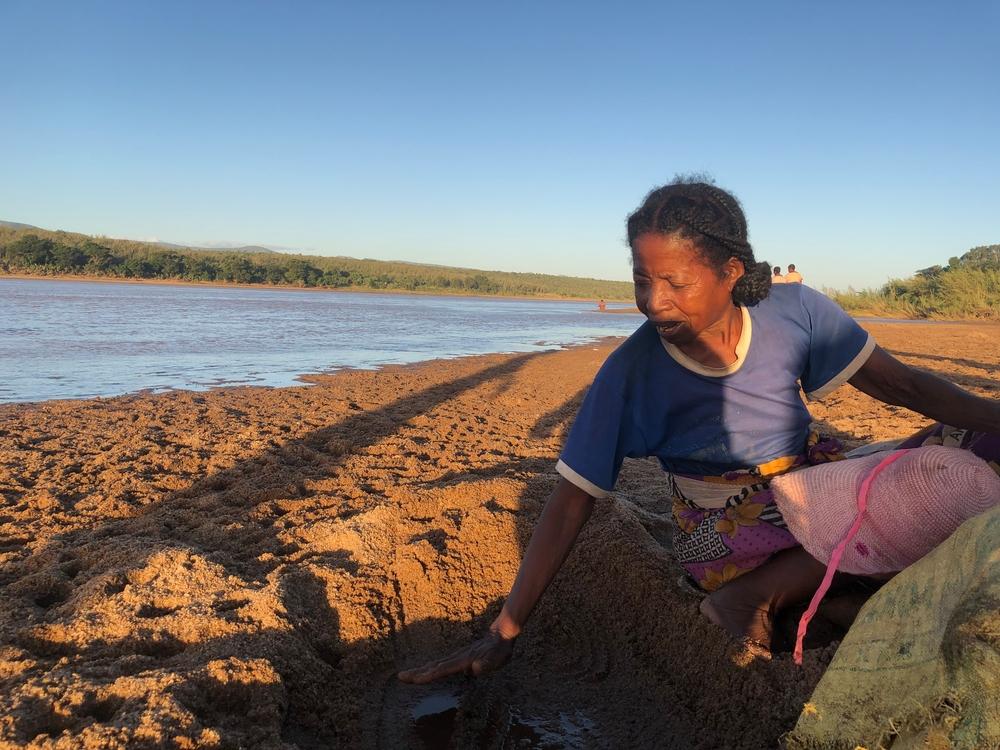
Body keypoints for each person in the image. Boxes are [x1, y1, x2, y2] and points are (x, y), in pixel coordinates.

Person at [397, 179, 1000, 685]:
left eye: (674, 283)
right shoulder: (631, 374)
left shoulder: (795, 313)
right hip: (727, 528)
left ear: (731, 271)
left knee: (983, 446)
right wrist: (504, 630)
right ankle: (750, 598)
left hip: (815, 477)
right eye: (641, 280)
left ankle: (831, 593)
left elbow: (907, 388)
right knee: (940, 489)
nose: (653, 303)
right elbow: (570, 502)